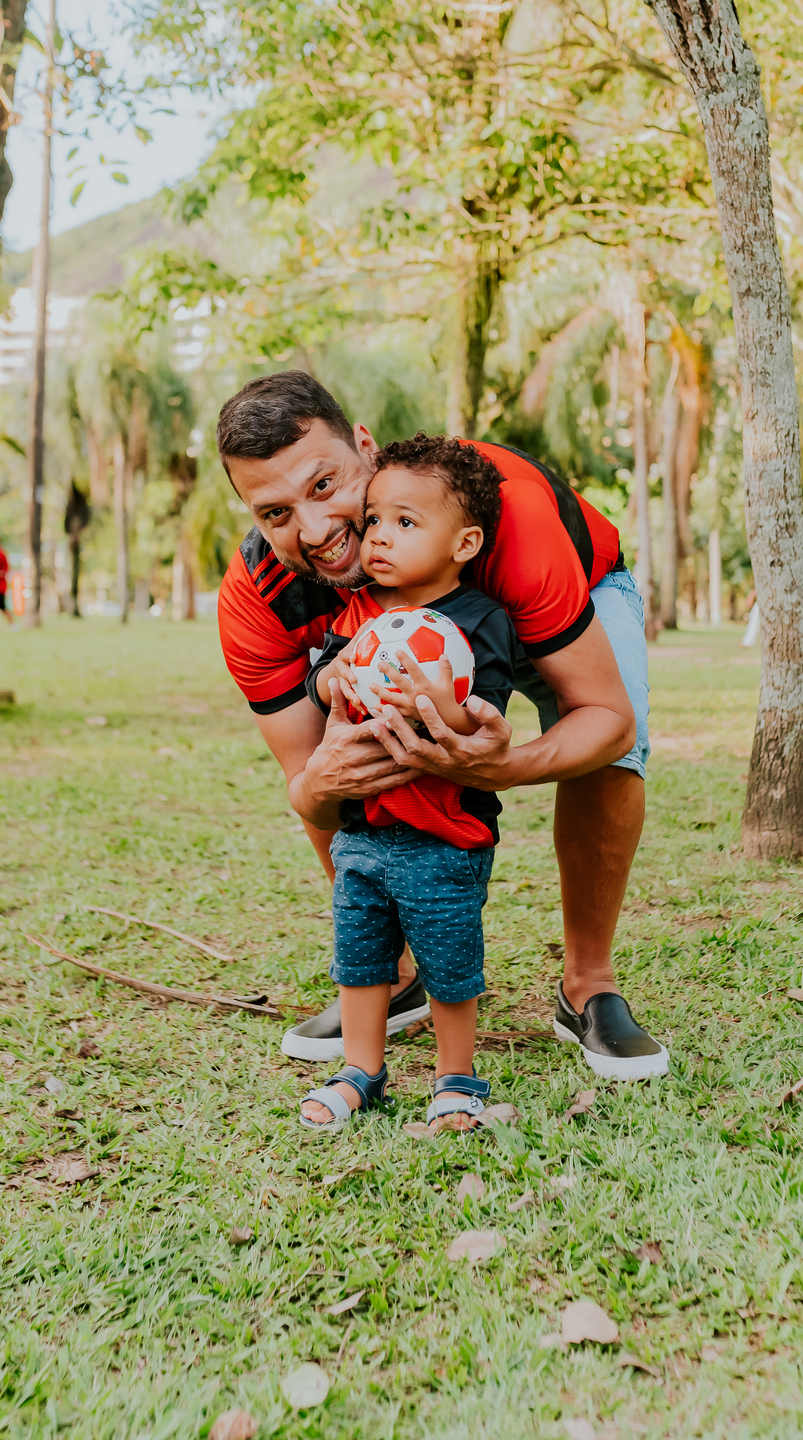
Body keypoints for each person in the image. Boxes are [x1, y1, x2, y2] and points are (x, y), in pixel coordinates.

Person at [216, 371, 668, 1081]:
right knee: (345, 753)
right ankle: (392, 975)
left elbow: (607, 721)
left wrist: (503, 766)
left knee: (611, 750)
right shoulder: (257, 602)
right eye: (274, 514)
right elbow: (307, 784)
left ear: (364, 447)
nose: (314, 530)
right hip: (409, 655)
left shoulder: (500, 522)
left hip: (561, 600)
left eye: (325, 486)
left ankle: (589, 986)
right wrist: (324, 782)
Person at [294, 435, 516, 1132]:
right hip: (363, 831)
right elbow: (320, 674)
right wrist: (336, 676)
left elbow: (482, 719)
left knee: (450, 958)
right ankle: (362, 1069)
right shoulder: (361, 615)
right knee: (361, 957)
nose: (380, 539)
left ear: (465, 542)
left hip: (443, 834)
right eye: (377, 521)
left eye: (407, 523)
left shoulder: (479, 622)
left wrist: (434, 700)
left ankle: (457, 1077)